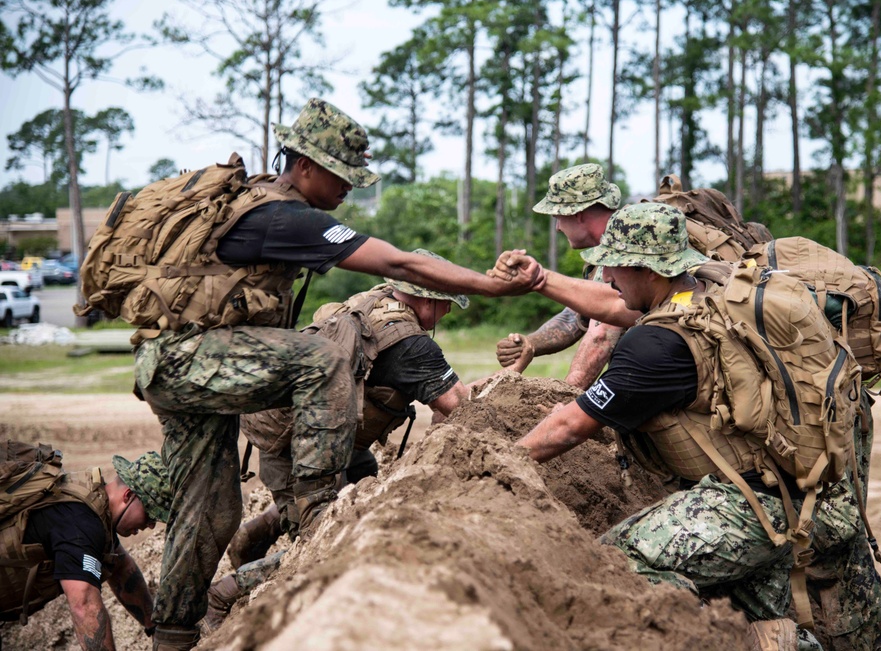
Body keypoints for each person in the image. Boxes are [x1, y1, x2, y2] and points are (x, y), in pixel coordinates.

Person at [132, 99, 542, 650]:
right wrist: (493, 286)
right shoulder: (282, 216)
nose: (350, 188)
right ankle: (322, 504)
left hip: (185, 366)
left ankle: (174, 636)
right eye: (342, 175)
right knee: (320, 362)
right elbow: (398, 263)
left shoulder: (262, 208)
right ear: (305, 165)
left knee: (213, 508)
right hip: (191, 358)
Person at [506, 202, 876, 650]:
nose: (606, 279)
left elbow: (570, 426)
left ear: (650, 271)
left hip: (752, 505)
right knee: (756, 614)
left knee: (612, 562)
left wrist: (501, 461)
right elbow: (613, 308)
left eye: (616, 267)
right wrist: (544, 280)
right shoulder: (707, 289)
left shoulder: (655, 345)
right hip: (809, 488)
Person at [203, 258, 533, 629]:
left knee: (364, 492)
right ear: (426, 301)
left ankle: (264, 527)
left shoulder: (374, 301)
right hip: (303, 450)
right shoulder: (410, 344)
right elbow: (462, 409)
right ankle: (226, 592)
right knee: (326, 544)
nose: (446, 313)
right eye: (446, 304)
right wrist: (512, 373)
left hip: (319, 437)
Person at [0, 451, 170, 651]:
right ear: (128, 495)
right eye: (150, 514)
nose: (150, 525)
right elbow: (85, 607)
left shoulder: (93, 501)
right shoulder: (82, 525)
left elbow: (121, 568)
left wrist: (154, 626)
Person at [494, 163, 626, 389]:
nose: (557, 227)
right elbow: (578, 314)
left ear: (578, 214)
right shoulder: (602, 255)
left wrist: (562, 404)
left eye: (558, 216)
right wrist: (531, 343)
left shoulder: (628, 248)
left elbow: (601, 335)